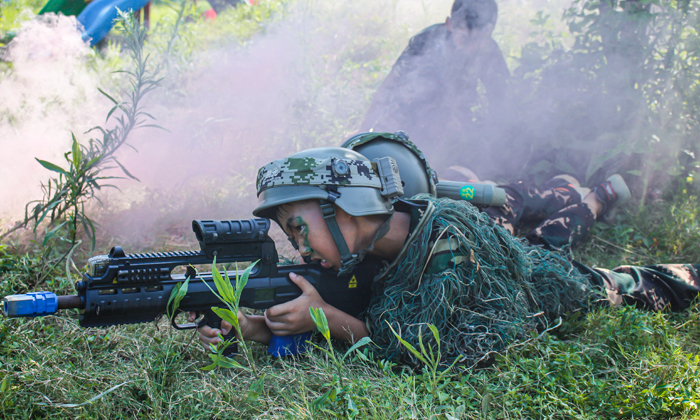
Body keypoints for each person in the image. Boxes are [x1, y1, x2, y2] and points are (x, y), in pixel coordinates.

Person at [198, 147, 700, 366]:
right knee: (543, 242)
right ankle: (592, 199)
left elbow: (435, 353)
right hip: (508, 256)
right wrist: (263, 327)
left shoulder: (449, 248)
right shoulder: (374, 241)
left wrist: (328, 321)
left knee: (607, 285)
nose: (300, 250)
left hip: (536, 295)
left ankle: (601, 205)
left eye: (299, 230)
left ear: (343, 210)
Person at [359, 0, 510, 170]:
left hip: (453, 126)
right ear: (450, 24)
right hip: (410, 115)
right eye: (465, 38)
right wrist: (362, 131)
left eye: (479, 40)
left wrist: (495, 146)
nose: (471, 48)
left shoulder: (489, 51)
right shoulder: (426, 41)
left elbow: (502, 101)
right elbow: (389, 86)